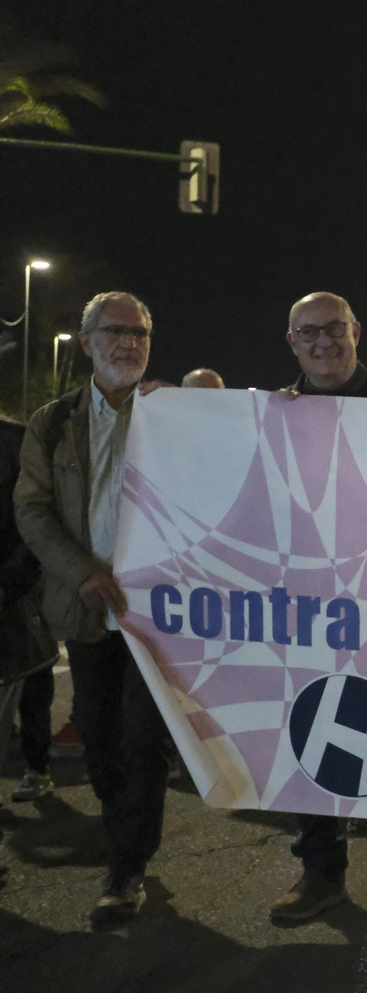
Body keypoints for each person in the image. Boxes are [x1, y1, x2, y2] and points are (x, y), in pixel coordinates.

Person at [268, 291, 367, 922]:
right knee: (309, 730)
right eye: (308, 332)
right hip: (307, 603)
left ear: (356, 331)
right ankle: (320, 872)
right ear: (292, 341)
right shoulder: (278, 411)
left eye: (334, 329)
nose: (323, 342)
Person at [13, 292, 173, 924]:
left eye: (140, 332)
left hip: (156, 616)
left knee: (143, 736)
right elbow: (32, 509)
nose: (129, 343)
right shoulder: (52, 423)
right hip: (87, 613)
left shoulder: (172, 414)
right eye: (115, 331)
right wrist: (82, 572)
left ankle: (127, 865)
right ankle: (122, 832)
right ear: (86, 342)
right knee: (97, 731)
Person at [1, 414, 54, 807]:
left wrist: (11, 582)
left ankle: (37, 766)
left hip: (16, 590)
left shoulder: (16, 439)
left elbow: (34, 516)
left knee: (32, 680)